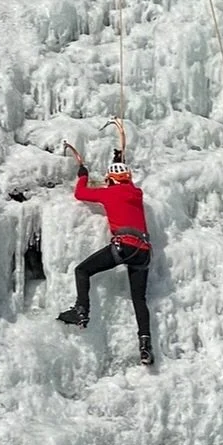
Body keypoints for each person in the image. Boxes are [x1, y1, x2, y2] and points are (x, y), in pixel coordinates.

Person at [57, 150, 153, 365]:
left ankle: (81, 311)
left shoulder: (108, 194)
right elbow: (125, 185)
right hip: (143, 251)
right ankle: (145, 346)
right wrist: (119, 161)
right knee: (139, 299)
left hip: (124, 246)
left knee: (82, 270)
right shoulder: (137, 193)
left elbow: (80, 193)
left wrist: (83, 175)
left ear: (111, 180)